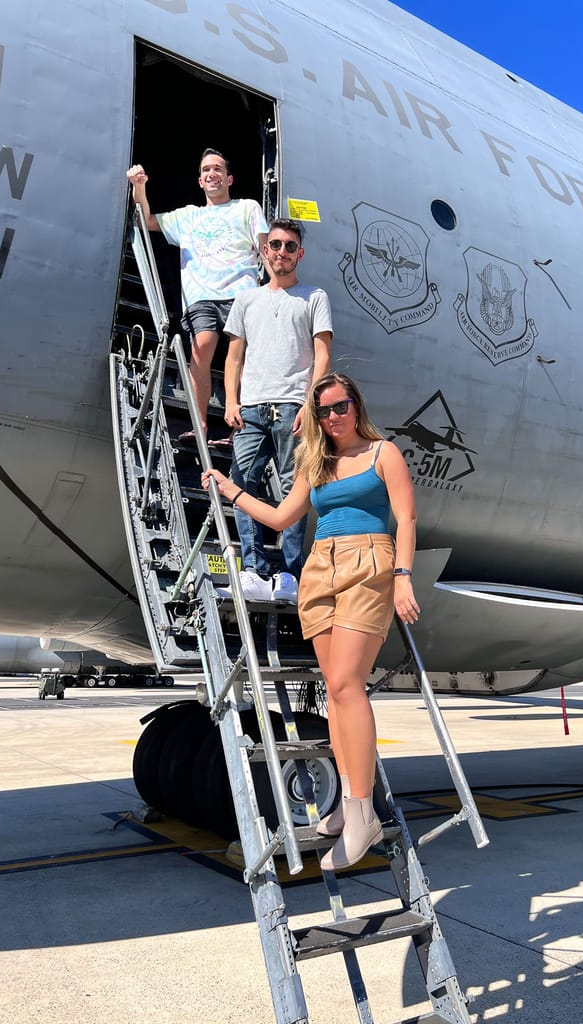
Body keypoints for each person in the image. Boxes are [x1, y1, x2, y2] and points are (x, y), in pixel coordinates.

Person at [202, 372, 420, 871]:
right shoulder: (315, 461)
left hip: (370, 561)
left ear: (355, 405)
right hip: (320, 569)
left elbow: (406, 519)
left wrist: (403, 575)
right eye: (323, 411)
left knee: (347, 685)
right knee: (333, 687)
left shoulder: (383, 454)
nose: (333, 417)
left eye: (339, 407)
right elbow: (281, 518)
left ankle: (362, 812)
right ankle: (347, 805)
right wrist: (232, 489)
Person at [222, 218, 332, 603]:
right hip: (251, 407)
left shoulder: (314, 297)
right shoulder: (246, 300)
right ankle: (253, 569)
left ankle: (288, 573)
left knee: (292, 491)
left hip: (292, 408)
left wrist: (310, 404)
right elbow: (234, 356)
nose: (282, 252)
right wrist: (231, 401)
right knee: (241, 483)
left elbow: (322, 355)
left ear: (298, 254)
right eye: (276, 245)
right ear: (265, 251)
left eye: (290, 247)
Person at [126, 150, 268, 445]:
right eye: (206, 170)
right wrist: (139, 187)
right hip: (200, 296)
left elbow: (264, 246)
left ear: (229, 178)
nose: (211, 173)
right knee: (201, 347)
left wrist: (277, 287)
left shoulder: (247, 208)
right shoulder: (188, 216)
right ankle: (200, 424)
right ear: (200, 181)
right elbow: (146, 220)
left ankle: (235, 421)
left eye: (217, 169)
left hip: (240, 292)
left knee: (237, 353)